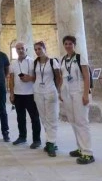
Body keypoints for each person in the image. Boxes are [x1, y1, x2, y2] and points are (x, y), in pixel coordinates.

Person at [59, 35, 95, 164]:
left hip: (79, 92)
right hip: (67, 93)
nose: (68, 46)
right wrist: (61, 92)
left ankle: (88, 153)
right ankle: (81, 148)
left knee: (82, 121)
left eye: (70, 43)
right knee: (73, 121)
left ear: (74, 45)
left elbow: (86, 76)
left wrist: (85, 94)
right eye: (66, 44)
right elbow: (62, 77)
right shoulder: (63, 59)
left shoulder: (80, 58)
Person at [31, 41, 62, 157]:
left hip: (50, 92)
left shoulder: (53, 62)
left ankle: (51, 143)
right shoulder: (35, 63)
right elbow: (35, 77)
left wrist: (58, 90)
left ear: (44, 48)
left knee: (52, 118)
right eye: (36, 49)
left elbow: (59, 77)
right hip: (38, 92)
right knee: (44, 118)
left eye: (39, 49)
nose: (37, 51)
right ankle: (50, 141)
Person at [9, 41, 41, 149]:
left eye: (22, 48)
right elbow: (11, 79)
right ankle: (22, 137)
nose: (20, 50)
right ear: (16, 50)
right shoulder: (13, 63)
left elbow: (39, 77)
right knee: (20, 117)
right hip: (18, 94)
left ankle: (36, 140)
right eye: (18, 49)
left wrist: (30, 78)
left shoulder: (32, 62)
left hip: (31, 94)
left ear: (26, 49)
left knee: (34, 117)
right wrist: (12, 94)